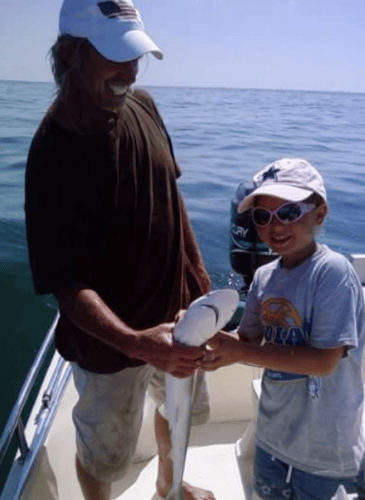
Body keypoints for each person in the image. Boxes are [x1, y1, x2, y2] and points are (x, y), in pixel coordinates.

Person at [24, 1, 215, 499]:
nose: (128, 71)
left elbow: (172, 194)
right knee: (103, 457)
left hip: (179, 318)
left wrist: (198, 276)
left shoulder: (145, 105)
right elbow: (66, 287)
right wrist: (137, 343)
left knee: (179, 412)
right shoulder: (51, 155)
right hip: (111, 348)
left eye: (135, 56)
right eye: (114, 56)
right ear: (69, 55)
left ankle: (170, 484)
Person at [202, 158, 365, 500]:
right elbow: (246, 340)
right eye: (262, 217)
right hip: (272, 435)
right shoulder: (263, 276)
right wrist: (207, 340)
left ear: (319, 214)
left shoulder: (332, 272)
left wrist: (239, 352)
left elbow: (324, 362)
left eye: (289, 212)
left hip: (325, 448)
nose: (274, 225)